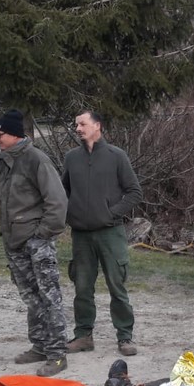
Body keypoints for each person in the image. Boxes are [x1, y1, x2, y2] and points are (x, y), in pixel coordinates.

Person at [0, 109, 70, 377]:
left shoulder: (36, 159)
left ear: (14, 134)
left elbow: (57, 200)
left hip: (36, 241)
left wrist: (42, 234)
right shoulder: (3, 161)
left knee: (49, 296)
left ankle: (57, 354)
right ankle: (40, 345)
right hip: (14, 242)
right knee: (31, 297)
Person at [61, 110, 143, 357]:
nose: (77, 128)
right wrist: (69, 216)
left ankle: (125, 337)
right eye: (76, 124)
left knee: (117, 287)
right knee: (82, 287)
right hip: (81, 236)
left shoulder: (116, 156)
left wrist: (111, 213)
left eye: (82, 124)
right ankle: (84, 336)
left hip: (110, 234)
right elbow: (62, 192)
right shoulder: (71, 158)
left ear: (97, 126)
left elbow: (134, 192)